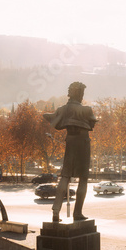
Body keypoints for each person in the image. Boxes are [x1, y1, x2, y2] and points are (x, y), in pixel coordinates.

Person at [43, 82, 97, 222]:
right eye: (82, 94)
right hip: (83, 143)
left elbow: (49, 116)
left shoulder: (63, 109)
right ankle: (77, 213)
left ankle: (56, 211)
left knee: (65, 176)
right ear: (79, 94)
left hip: (70, 142)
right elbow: (92, 123)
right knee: (83, 178)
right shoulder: (87, 110)